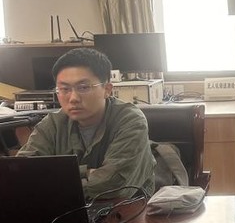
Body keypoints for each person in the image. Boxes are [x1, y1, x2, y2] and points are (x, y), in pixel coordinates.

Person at [16, 47, 155, 199]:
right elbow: (21, 174)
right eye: (64, 89)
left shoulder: (130, 120)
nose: (73, 98)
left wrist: (55, 180)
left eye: (83, 87)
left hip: (125, 207)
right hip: (65, 208)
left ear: (107, 89)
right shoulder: (53, 124)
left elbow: (114, 185)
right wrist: (86, 173)